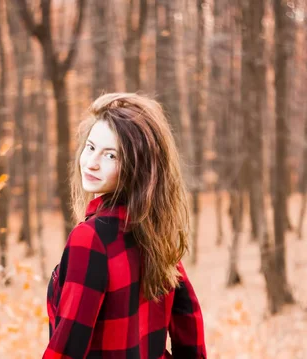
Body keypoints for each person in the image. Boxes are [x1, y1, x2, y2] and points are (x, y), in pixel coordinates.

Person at [44, 93, 206, 358]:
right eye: (90, 147)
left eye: (111, 156)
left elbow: (68, 348)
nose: (92, 162)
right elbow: (190, 322)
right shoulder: (155, 229)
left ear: (136, 167)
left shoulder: (90, 239)